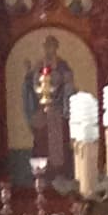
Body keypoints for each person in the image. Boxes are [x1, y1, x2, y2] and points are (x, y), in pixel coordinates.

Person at [24, 36, 76, 182]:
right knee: (41, 139)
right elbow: (31, 85)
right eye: (47, 46)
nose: (49, 50)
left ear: (56, 48)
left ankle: (59, 172)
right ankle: (42, 174)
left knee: (59, 141)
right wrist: (29, 74)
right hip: (42, 110)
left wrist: (66, 83)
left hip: (58, 110)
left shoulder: (62, 65)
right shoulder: (39, 65)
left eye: (52, 46)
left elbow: (68, 84)